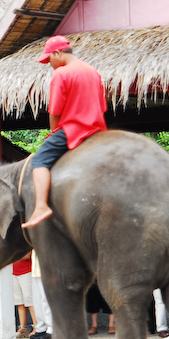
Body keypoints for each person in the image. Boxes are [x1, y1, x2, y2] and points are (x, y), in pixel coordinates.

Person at [22, 36, 107, 228]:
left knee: (39, 160)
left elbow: (55, 111)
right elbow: (101, 107)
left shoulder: (61, 74)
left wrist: (54, 132)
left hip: (73, 129)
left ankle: (41, 206)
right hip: (97, 130)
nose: (49, 64)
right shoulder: (93, 71)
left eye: (49, 59)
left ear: (57, 53)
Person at [29, 251, 52, 339]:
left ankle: (51, 328)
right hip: (35, 270)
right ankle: (41, 327)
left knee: (45, 300)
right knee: (37, 301)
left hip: (46, 271)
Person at [12, 252, 36, 337]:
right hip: (14, 272)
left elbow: (28, 255)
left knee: (30, 300)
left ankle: (36, 326)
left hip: (26, 271)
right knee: (19, 302)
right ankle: (23, 327)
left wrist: (12, 254)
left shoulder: (24, 240)